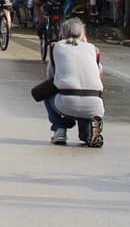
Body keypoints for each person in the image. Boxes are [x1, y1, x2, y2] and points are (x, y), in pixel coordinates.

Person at [43, 18, 105, 146]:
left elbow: (51, 77)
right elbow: (99, 75)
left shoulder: (57, 47)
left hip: (66, 103)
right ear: (83, 34)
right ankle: (90, 134)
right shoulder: (93, 49)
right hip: (95, 104)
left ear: (62, 33)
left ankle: (59, 128)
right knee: (86, 93)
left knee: (43, 91)